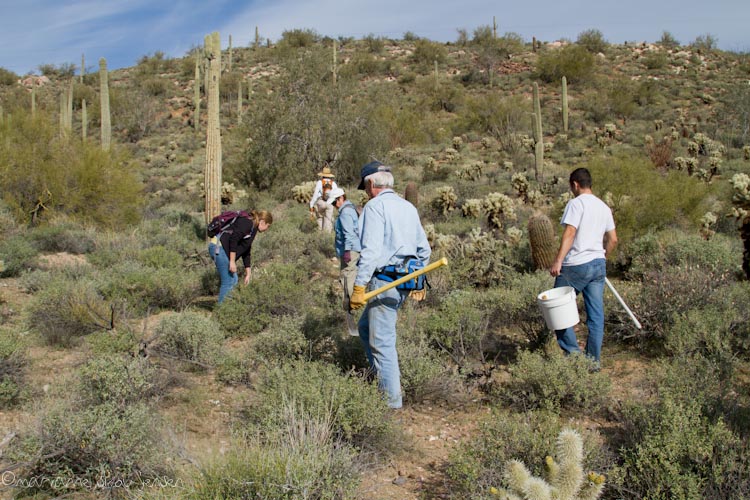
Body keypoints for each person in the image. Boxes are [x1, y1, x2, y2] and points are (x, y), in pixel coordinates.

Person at [349, 161, 431, 409]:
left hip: (383, 281)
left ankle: (391, 406)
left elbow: (371, 253)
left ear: (371, 184)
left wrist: (359, 287)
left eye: (364, 186)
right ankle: (382, 380)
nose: (365, 191)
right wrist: (418, 281)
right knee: (366, 328)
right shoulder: (408, 207)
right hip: (403, 283)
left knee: (383, 343)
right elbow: (423, 250)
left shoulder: (375, 207)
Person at [549, 168, 617, 368]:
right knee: (596, 316)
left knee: (556, 310)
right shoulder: (604, 207)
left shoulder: (576, 204)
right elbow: (613, 239)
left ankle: (575, 357)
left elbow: (570, 232)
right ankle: (592, 363)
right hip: (597, 265)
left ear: (575, 184)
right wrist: (602, 257)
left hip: (575, 265)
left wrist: (558, 260)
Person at [208, 210, 273, 303]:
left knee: (233, 280)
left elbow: (246, 249)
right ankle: (221, 312)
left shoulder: (253, 229)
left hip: (222, 249)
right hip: (218, 247)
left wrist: (248, 273)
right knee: (229, 281)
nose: (267, 229)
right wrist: (232, 261)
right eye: (268, 226)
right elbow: (234, 240)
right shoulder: (247, 223)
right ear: (263, 222)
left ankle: (225, 309)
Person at [327, 187, 362, 310]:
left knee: (347, 276)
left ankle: (351, 306)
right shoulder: (349, 209)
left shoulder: (346, 212)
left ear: (341, 198)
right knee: (350, 275)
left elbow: (349, 234)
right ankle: (352, 304)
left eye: (334, 202)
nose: (334, 205)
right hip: (353, 249)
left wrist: (347, 251)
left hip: (350, 250)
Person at [309, 166, 338, 233]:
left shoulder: (320, 182)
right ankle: (327, 235)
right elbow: (336, 194)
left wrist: (311, 204)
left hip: (321, 203)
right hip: (330, 203)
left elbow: (315, 195)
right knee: (328, 219)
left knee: (320, 218)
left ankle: (320, 234)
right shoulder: (333, 183)